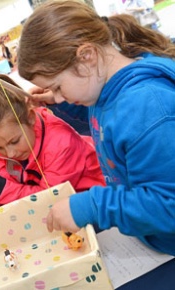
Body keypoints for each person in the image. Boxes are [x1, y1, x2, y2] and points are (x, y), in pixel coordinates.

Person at [17, 0, 175, 256]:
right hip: (153, 238)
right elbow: (109, 123)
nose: (56, 96)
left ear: (87, 56)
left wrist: (91, 206)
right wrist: (62, 105)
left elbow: (169, 205)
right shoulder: (107, 89)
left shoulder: (147, 107)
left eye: (57, 87)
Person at [0, 74, 105, 206]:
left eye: (14, 141)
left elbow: (48, 201)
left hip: (99, 207)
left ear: (30, 117)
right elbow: (10, 194)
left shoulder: (62, 145)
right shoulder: (8, 142)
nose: (9, 154)